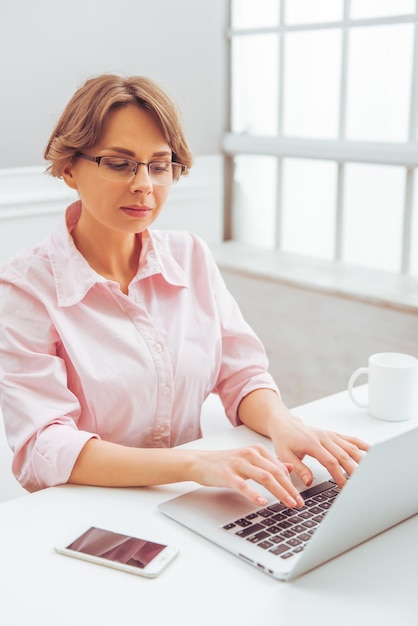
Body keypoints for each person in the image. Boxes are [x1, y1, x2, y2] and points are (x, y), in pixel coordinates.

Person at [0, 74, 368, 507]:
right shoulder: (24, 289)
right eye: (119, 163)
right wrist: (196, 465)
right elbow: (47, 444)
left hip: (188, 501)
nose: (145, 185)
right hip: (85, 511)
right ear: (68, 168)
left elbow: (240, 373)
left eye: (159, 166)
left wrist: (284, 424)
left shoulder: (190, 255)